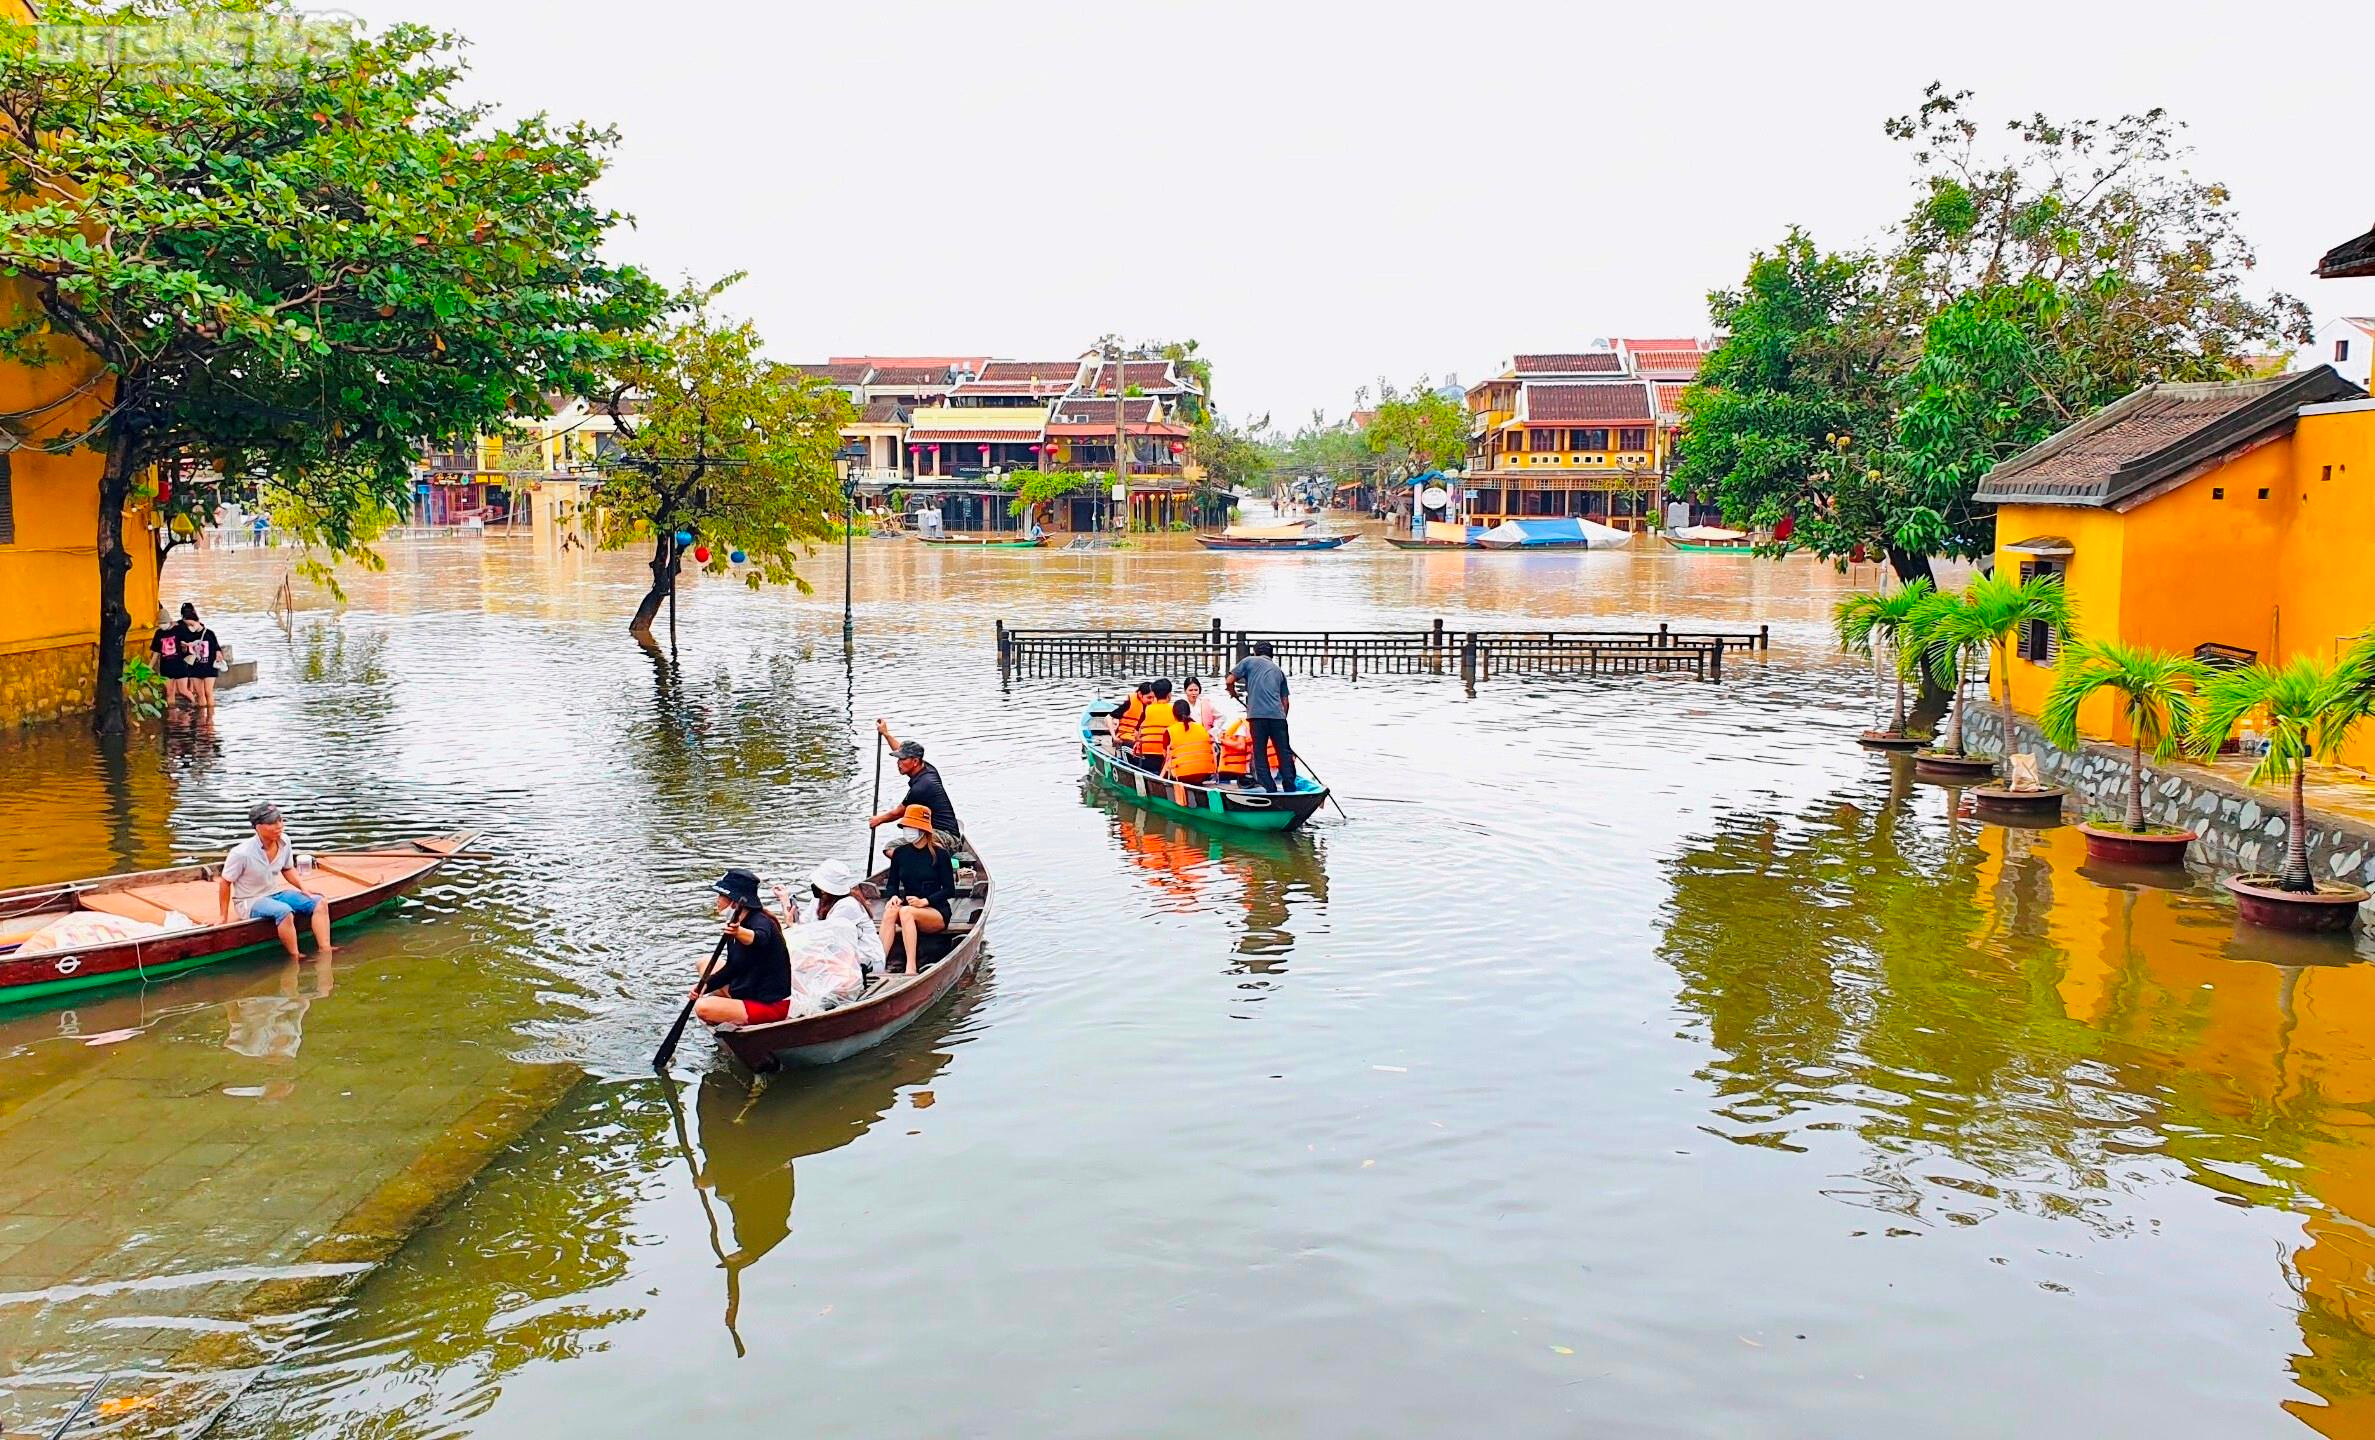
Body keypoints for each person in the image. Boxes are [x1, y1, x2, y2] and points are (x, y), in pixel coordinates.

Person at [217, 802, 333, 960]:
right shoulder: (241, 853)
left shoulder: (285, 841)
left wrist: (303, 888)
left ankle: (326, 949)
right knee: (284, 911)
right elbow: (225, 882)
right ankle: (296, 956)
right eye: (272, 823)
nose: (279, 826)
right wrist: (223, 916)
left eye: (280, 820)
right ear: (258, 827)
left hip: (275, 892)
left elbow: (287, 869)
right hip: (250, 900)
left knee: (320, 902)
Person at [877, 805, 956, 976]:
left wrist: (925, 902)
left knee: (906, 912)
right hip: (910, 905)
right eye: (905, 827)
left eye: (910, 827)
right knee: (892, 911)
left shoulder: (940, 854)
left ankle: (911, 968)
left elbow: (950, 890)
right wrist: (893, 897)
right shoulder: (900, 854)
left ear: (921, 829)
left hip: (935, 910)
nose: (907, 831)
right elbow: (892, 884)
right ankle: (879, 963)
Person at [1226, 641, 1296, 791]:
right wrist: (1282, 719)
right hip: (1278, 717)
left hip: (1257, 717)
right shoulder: (1278, 671)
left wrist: (1233, 693)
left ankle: (1270, 787)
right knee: (1284, 752)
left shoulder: (1249, 661)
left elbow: (1229, 680)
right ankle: (1290, 786)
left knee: (1260, 753)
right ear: (1272, 654)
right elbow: (1285, 702)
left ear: (1255, 652)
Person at [870, 722, 960, 837]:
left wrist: (878, 820)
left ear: (915, 762)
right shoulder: (926, 767)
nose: (898, 763)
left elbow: (898, 813)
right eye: (899, 759)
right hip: (934, 830)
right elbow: (900, 750)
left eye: (902, 760)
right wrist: (886, 734)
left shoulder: (922, 786)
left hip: (945, 835)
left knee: (893, 850)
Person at [173, 603, 223, 713]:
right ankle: (202, 719)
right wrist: (185, 648)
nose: (189, 627)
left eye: (191, 624)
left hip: (209, 667)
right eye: (187, 625)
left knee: (208, 692)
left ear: (196, 621)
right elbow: (185, 654)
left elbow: (217, 648)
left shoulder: (209, 633)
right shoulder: (187, 636)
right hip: (195, 668)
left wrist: (219, 654)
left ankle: (210, 720)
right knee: (200, 694)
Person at [1162, 699, 1217, 785]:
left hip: (1181, 776)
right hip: (1204, 774)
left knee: (1166, 760)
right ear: (1189, 712)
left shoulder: (1170, 731)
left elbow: (1165, 755)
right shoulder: (1201, 728)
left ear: (1174, 715)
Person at [1133, 678, 1175, 773]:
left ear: (1154, 695)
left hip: (1148, 754)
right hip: (1166, 756)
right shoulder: (1174, 709)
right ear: (1169, 695)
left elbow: (1139, 733)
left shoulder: (1148, 709)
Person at [150, 610, 190, 709]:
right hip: (166, 667)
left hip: (180, 665)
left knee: (183, 690)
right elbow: (156, 652)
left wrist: (186, 647)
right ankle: (172, 713)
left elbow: (188, 641)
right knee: (169, 692)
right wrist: (149, 667)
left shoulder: (179, 629)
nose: (162, 625)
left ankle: (194, 704)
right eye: (160, 623)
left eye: (164, 623)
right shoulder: (158, 633)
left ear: (169, 621)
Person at [1112, 681, 1154, 754]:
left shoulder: (1152, 706)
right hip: (1125, 736)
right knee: (1138, 748)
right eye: (1149, 697)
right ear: (1140, 694)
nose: (1151, 700)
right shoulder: (1130, 703)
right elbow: (1108, 717)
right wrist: (1114, 737)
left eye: (1153, 698)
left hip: (1140, 737)